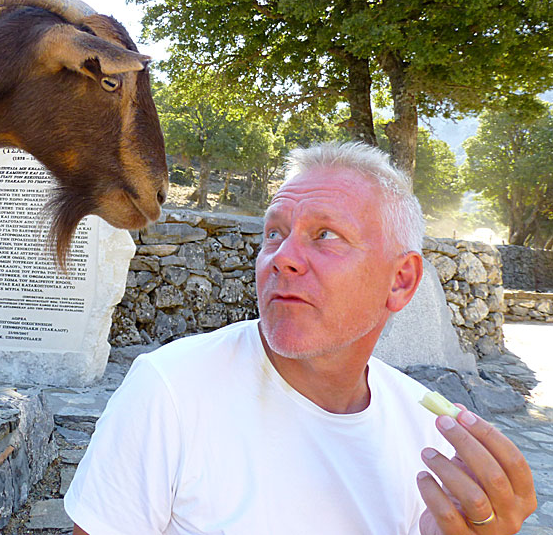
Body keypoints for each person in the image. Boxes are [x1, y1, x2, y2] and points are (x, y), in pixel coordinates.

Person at [64, 141, 537, 535]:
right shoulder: (171, 390)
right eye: (274, 233)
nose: (281, 258)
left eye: (325, 234)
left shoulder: (429, 439)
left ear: (400, 281)